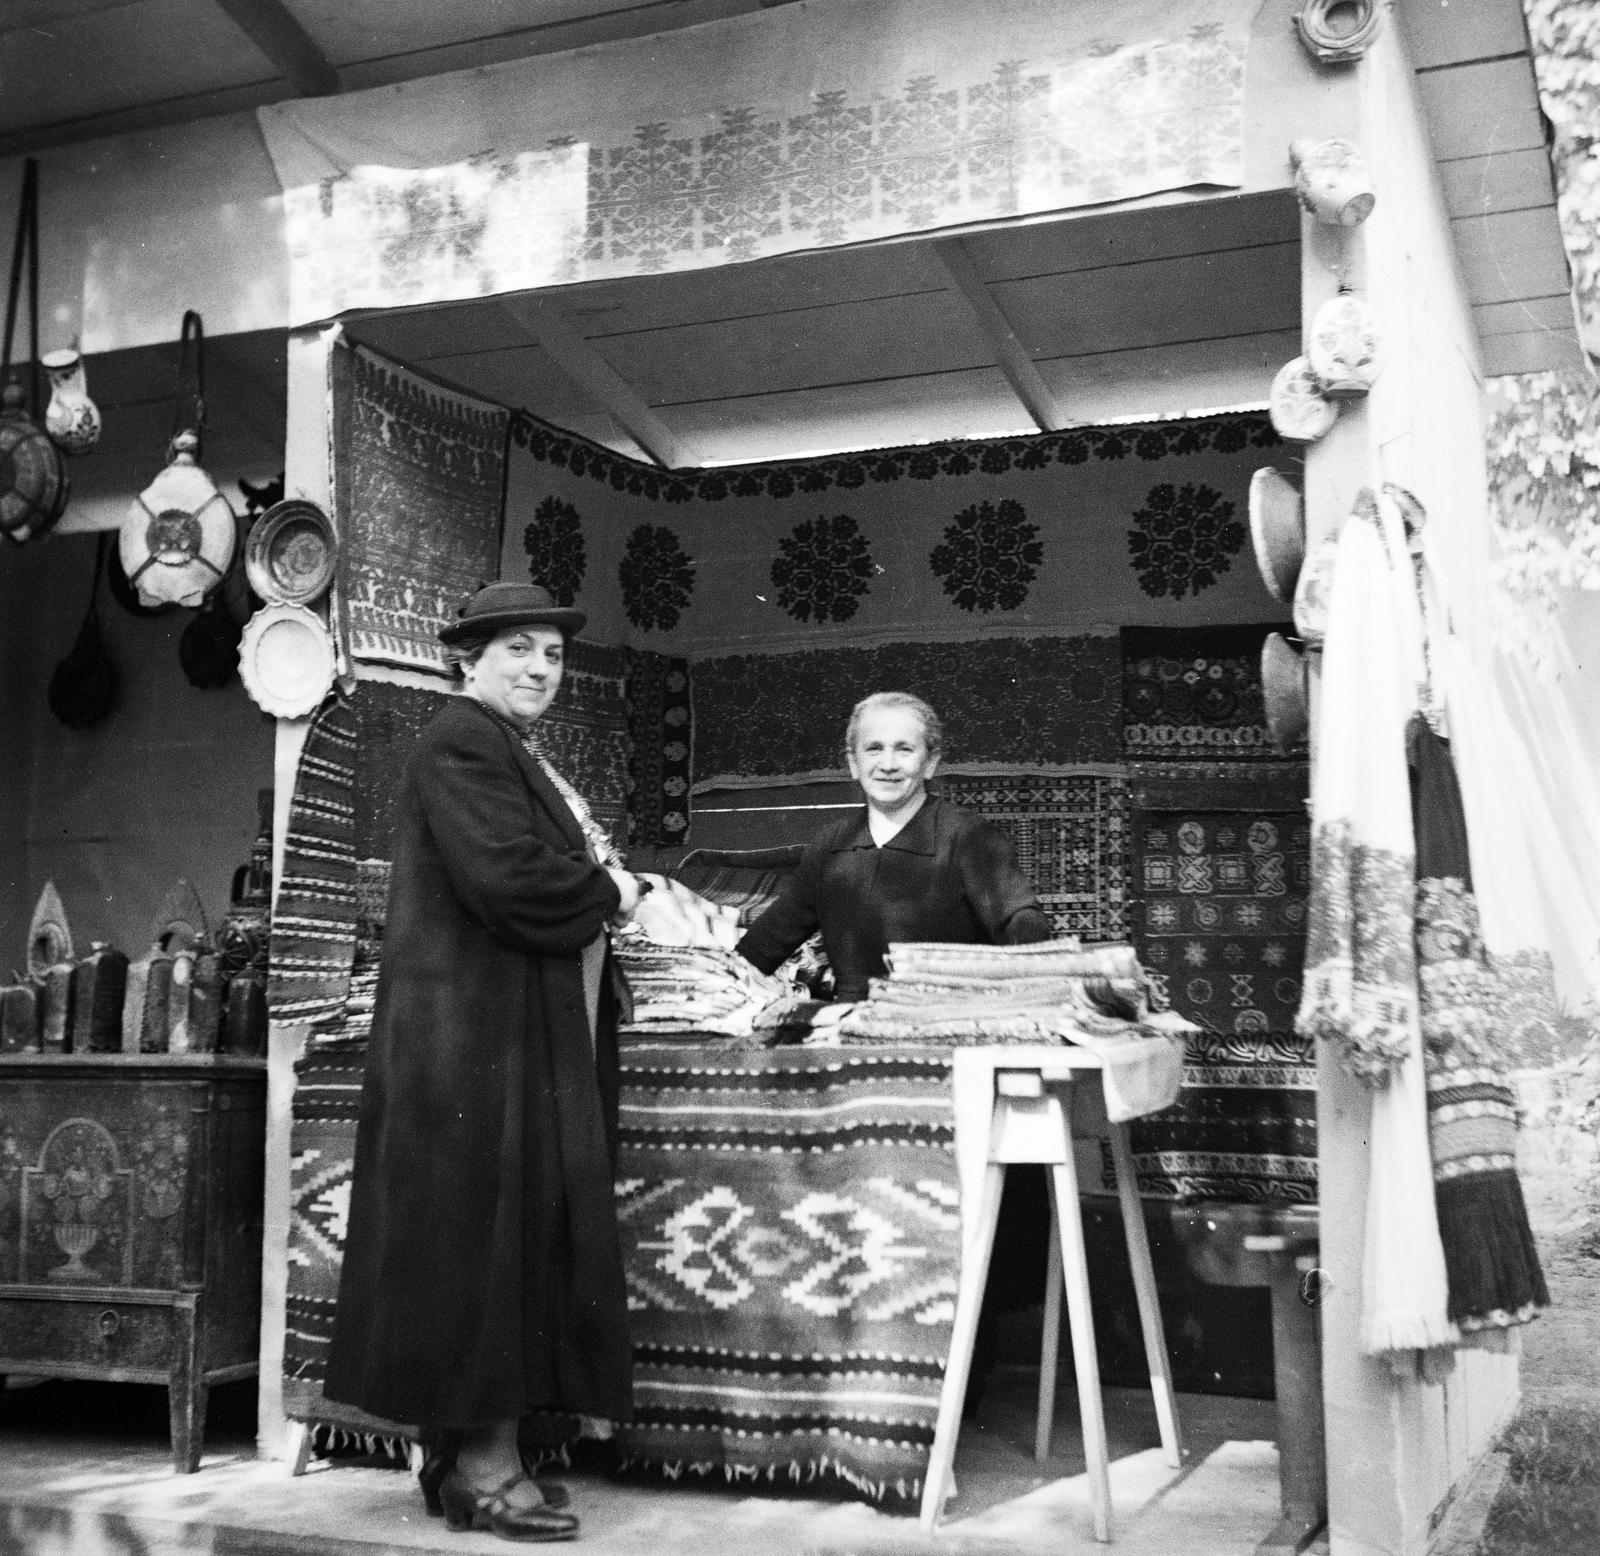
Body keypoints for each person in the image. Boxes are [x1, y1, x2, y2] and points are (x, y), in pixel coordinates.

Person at [324, 581, 643, 1543]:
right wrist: (615, 889)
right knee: (485, 1247)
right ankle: (482, 1468)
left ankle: (464, 1465)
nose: (540, 668)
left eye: (551, 653)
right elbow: (508, 878)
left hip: (488, 1032)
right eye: (518, 651)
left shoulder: (496, 746)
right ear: (470, 659)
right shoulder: (462, 740)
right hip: (469, 1042)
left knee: (484, 1244)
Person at [736, 690, 1052, 1000]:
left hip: (947, 1024)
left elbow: (1022, 924)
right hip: (850, 1029)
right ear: (853, 763)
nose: (888, 764)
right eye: (874, 748)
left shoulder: (967, 835)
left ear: (930, 763)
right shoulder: (830, 846)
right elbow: (761, 947)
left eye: (904, 749)